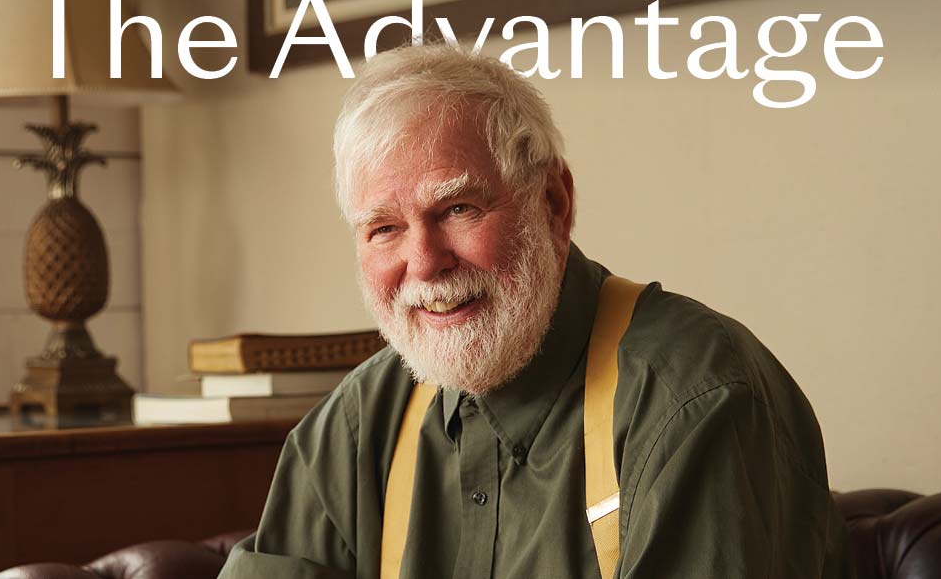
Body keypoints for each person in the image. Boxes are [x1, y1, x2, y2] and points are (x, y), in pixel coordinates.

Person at [219, 44, 852, 578]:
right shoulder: (355, 428)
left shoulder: (692, 396)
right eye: (384, 228)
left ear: (552, 201)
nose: (425, 260)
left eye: (458, 210)